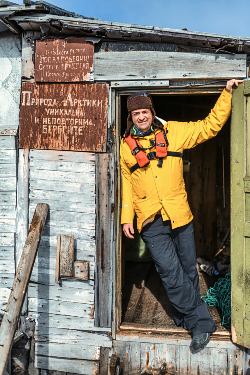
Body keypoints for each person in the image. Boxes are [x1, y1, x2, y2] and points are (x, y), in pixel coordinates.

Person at [120, 79, 242, 354]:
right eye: (136, 113)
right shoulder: (125, 146)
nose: (141, 116)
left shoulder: (174, 132)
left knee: (188, 270)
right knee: (169, 271)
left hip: (179, 215)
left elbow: (210, 126)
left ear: (152, 112)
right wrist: (127, 217)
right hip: (150, 220)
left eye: (145, 111)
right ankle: (201, 324)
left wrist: (226, 94)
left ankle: (184, 315)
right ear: (131, 117)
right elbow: (125, 182)